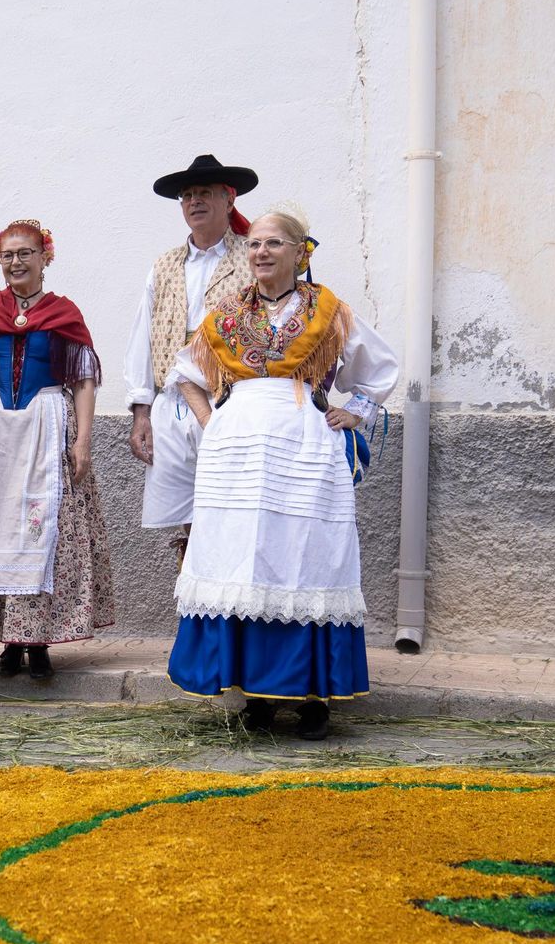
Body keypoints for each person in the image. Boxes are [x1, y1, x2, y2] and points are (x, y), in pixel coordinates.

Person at [166, 205, 397, 740]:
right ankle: (256, 694)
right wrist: (211, 424)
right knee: (242, 558)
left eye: (273, 243)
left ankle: (313, 694)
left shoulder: (329, 310)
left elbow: (380, 368)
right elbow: (185, 374)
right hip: (236, 454)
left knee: (305, 556)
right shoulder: (224, 314)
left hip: (303, 447)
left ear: (300, 251)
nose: (261, 252)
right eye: (253, 244)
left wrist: (355, 410)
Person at [0, 219, 115, 677]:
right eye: (7, 255)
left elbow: (84, 378)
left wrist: (84, 439)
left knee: (44, 531)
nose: (16, 262)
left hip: (47, 425)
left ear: (45, 257)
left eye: (25, 253)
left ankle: (38, 640)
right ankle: (8, 640)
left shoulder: (64, 312)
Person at [124, 155, 257, 562]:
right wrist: (141, 414)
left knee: (234, 503)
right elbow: (141, 338)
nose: (194, 201)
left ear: (228, 199)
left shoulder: (253, 257)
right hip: (173, 402)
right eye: (187, 196)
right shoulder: (164, 265)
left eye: (204, 193)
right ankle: (196, 606)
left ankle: (231, 606)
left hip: (230, 399)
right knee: (186, 510)